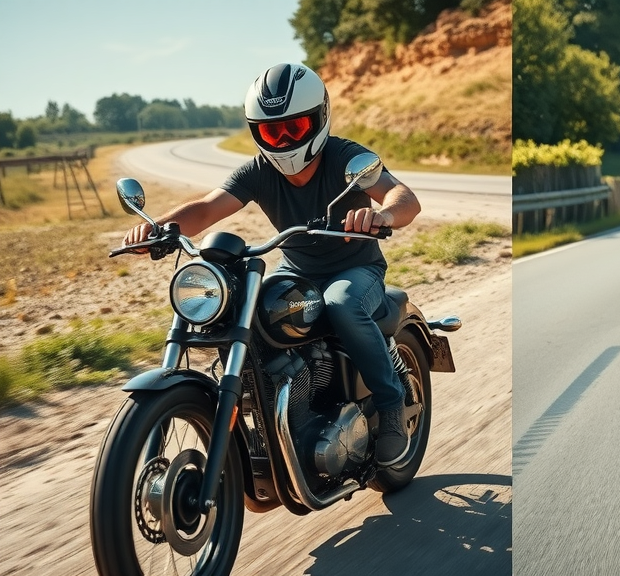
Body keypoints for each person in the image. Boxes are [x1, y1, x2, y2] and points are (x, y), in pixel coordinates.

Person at [122, 63, 421, 467]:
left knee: (342, 304)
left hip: (356, 270)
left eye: (293, 129)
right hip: (296, 270)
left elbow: (404, 197)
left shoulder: (345, 157)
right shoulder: (259, 171)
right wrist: (158, 229)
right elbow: (207, 208)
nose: (282, 141)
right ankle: (275, 413)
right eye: (270, 132)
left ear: (318, 119)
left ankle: (390, 404)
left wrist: (382, 215)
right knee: (241, 312)